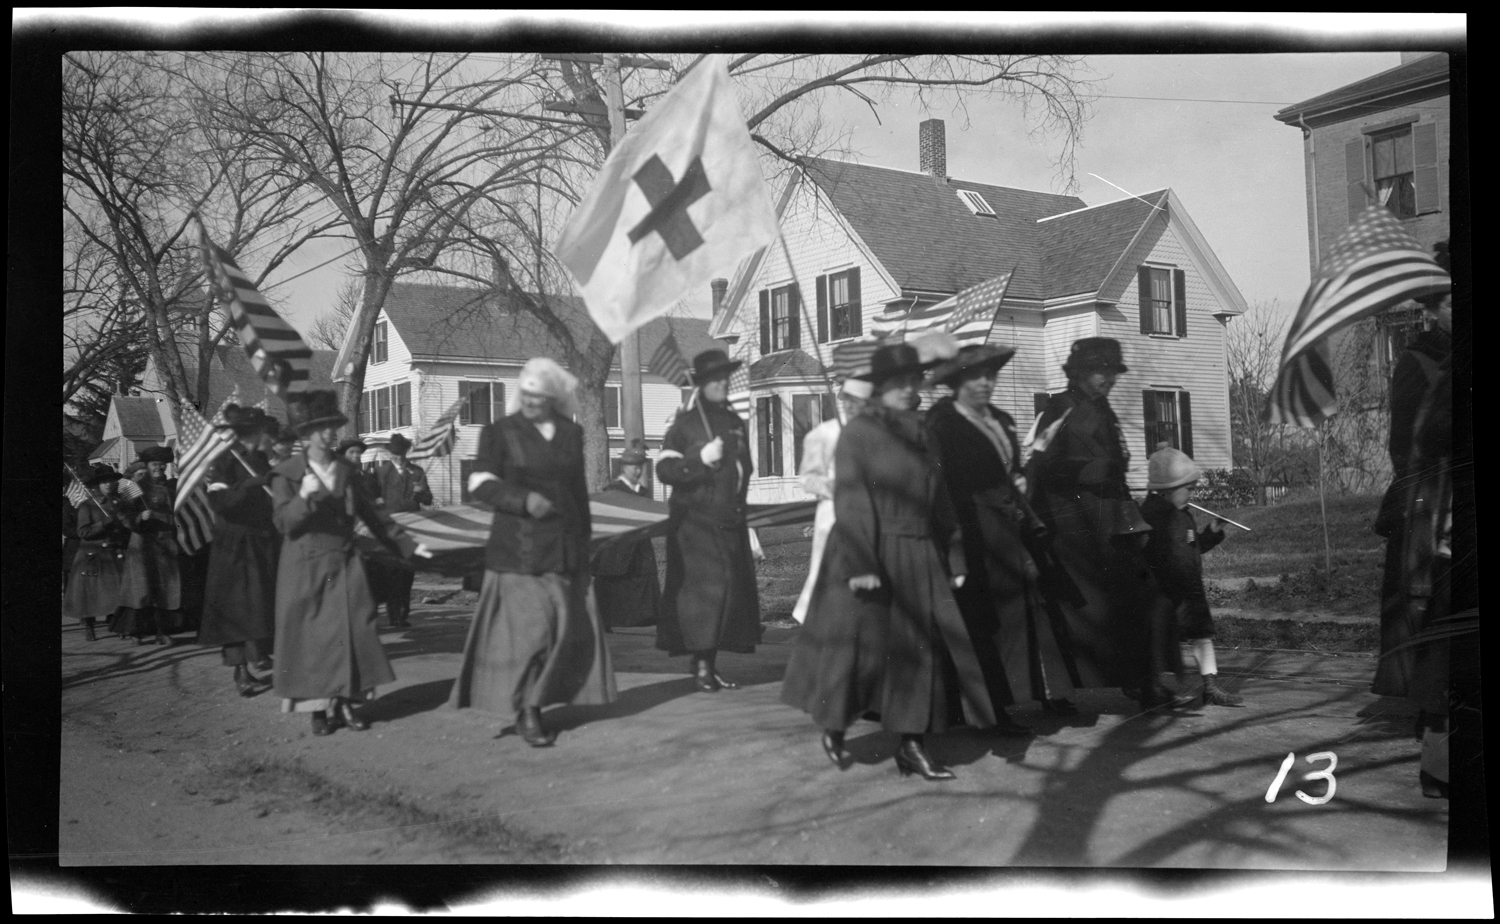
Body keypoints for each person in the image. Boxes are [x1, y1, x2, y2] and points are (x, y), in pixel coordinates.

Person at [781, 341, 1002, 781]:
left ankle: (912, 745)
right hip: (867, 554)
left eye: (913, 381)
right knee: (858, 653)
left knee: (918, 652)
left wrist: (954, 555)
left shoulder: (925, 433)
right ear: (879, 389)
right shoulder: (859, 433)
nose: (908, 389)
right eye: (897, 383)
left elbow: (940, 500)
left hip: (919, 553)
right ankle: (835, 725)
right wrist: (862, 564)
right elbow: (852, 501)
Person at [449, 358, 615, 746]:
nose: (530, 402)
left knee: (560, 632)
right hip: (518, 551)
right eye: (525, 394)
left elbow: (577, 494)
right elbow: (480, 482)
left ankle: (537, 701)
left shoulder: (572, 434)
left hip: (563, 550)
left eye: (538, 397)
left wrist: (585, 546)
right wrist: (522, 500)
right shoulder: (500, 432)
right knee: (532, 634)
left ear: (553, 399)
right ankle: (528, 713)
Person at [1026, 338, 1191, 710]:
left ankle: (1143, 681)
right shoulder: (1057, 409)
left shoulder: (1105, 409)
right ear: (1080, 372)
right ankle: (1059, 694)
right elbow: (1040, 467)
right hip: (1072, 529)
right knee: (1078, 611)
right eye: (1100, 370)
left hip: (1113, 523)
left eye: (1113, 371)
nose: (1108, 379)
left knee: (1143, 598)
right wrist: (1095, 470)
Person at [926, 344, 1076, 726]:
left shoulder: (1002, 419)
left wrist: (1020, 477)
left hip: (1012, 525)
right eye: (976, 377)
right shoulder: (943, 426)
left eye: (990, 377)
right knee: (986, 617)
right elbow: (939, 484)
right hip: (973, 529)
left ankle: (1045, 691)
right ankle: (991, 707)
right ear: (957, 383)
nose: (985, 384)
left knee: (1031, 607)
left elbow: (1008, 467)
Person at [269, 390, 429, 737]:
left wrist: (408, 546)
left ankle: (345, 701)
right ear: (307, 434)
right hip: (305, 566)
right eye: (322, 428)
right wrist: (303, 497)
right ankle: (317, 710)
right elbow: (284, 523)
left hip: (345, 563)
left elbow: (375, 516)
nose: (330, 434)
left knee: (354, 631)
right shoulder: (288, 474)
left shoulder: (346, 470)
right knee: (312, 639)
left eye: (332, 427)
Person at [655, 350, 761, 691]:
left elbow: (743, 470)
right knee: (705, 595)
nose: (722, 383)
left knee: (730, 594)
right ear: (700, 384)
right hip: (695, 524)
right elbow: (665, 471)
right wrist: (699, 458)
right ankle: (700, 664)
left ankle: (709, 663)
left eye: (725, 378)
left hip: (730, 519)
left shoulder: (735, 423)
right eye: (715, 379)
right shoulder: (684, 425)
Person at [1139, 447, 1243, 707]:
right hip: (1164, 592)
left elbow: (1192, 547)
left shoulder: (1181, 514)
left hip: (1188, 590)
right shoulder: (1151, 516)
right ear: (1167, 488)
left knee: (1201, 635)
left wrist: (1211, 532)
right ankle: (1152, 690)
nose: (1193, 494)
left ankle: (1210, 687)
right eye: (1189, 489)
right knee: (1159, 643)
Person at [198, 405, 278, 697]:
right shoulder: (224, 462)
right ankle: (240, 671)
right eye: (264, 432)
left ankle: (258, 655)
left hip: (261, 543)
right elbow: (219, 503)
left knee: (257, 608)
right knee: (236, 609)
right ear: (253, 433)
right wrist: (249, 485)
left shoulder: (261, 459)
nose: (269, 437)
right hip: (233, 548)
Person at [789, 378, 871, 626]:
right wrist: (832, 486)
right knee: (830, 568)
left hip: (869, 510)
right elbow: (808, 478)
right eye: (850, 401)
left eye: (862, 402)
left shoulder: (875, 432)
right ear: (843, 400)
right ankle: (819, 622)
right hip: (834, 511)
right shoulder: (825, 433)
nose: (855, 407)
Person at [116, 446, 184, 646]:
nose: (159, 468)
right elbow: (122, 513)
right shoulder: (134, 487)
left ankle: (162, 631)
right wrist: (138, 517)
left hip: (166, 545)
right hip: (142, 545)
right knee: (141, 589)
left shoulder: (172, 487)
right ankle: (137, 631)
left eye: (163, 464)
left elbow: (179, 515)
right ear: (146, 465)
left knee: (165, 590)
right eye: (155, 464)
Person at [592, 439, 662, 630]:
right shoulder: (613, 490)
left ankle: (640, 618)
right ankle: (610, 620)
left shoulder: (643, 493)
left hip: (639, 544)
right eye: (632, 467)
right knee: (615, 577)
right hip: (617, 545)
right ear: (623, 468)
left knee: (641, 574)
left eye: (640, 467)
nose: (637, 471)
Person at [63, 464, 131, 642]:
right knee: (89, 594)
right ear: (97, 485)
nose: (108, 485)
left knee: (119, 591)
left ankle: (119, 625)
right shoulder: (89, 506)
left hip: (114, 552)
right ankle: (89, 625)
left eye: (111, 481)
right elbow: (83, 532)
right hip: (93, 554)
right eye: (104, 482)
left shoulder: (120, 503)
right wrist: (103, 524)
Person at [373, 432, 433, 629]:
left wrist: (421, 492)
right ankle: (392, 614)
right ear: (390, 454)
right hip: (389, 529)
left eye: (401, 454)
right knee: (390, 571)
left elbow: (428, 500)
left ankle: (402, 613)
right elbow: (372, 498)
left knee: (407, 572)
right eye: (395, 454)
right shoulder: (381, 472)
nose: (398, 458)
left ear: (407, 453)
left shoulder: (417, 472)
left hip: (411, 528)